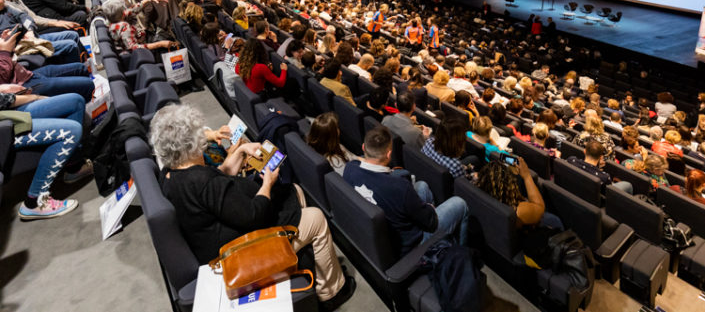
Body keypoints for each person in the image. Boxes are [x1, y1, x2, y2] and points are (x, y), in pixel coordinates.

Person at [151, 104, 355, 308]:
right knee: (316, 218)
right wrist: (267, 183)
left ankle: (307, 265)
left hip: (223, 236)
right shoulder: (201, 180)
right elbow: (253, 215)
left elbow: (219, 177)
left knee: (294, 191)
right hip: (238, 253)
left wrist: (240, 151)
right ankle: (331, 292)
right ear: (191, 143)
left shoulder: (171, 173)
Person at [343, 126, 469, 256]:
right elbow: (431, 223)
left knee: (422, 186)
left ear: (364, 148)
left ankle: (440, 245)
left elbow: (360, 162)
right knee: (460, 203)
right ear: (388, 154)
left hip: (387, 228)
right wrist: (429, 209)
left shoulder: (350, 169)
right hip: (410, 245)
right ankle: (460, 254)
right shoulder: (399, 187)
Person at [7, 92, 90, 219]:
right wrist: (33, 97)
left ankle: (73, 167)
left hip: (6, 110)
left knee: (75, 101)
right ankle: (34, 201)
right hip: (5, 125)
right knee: (71, 131)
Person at [476, 157, 547, 228]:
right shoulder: (516, 212)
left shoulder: (477, 197)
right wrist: (527, 175)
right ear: (509, 184)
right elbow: (540, 208)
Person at [566, 139, 633, 194]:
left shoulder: (571, 160)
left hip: (571, 191)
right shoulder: (604, 177)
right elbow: (607, 194)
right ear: (601, 157)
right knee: (628, 185)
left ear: (584, 151)